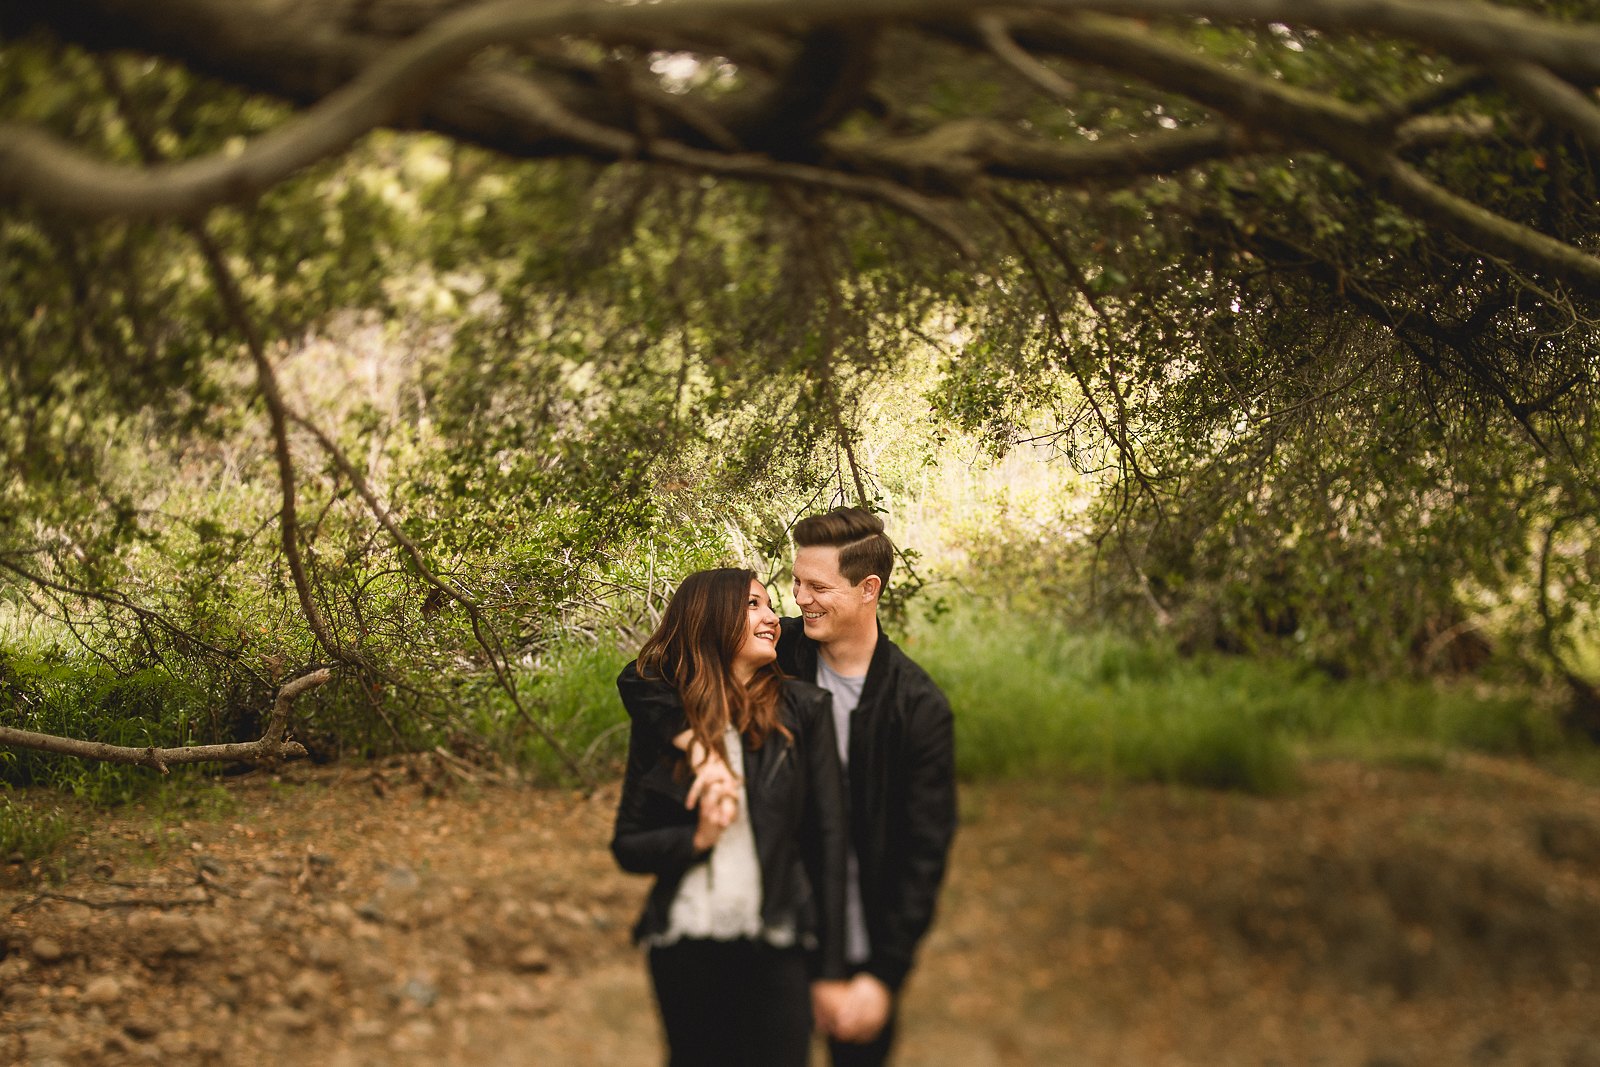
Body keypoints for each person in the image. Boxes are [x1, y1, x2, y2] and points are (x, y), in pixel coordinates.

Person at [623, 509, 957, 1066]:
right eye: (796, 581)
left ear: (868, 589)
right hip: (776, 925)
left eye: (817, 586)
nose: (798, 599)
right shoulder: (783, 653)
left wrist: (883, 975)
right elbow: (644, 674)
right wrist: (691, 740)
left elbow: (923, 854)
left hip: (861, 938)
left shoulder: (917, 708)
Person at [611, 568, 849, 1067]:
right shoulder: (665, 721)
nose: (772, 618)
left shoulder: (805, 710)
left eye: (770, 605)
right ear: (711, 618)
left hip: (779, 941)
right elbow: (629, 846)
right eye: (753, 605)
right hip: (686, 942)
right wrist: (698, 837)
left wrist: (831, 968)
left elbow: (829, 841)